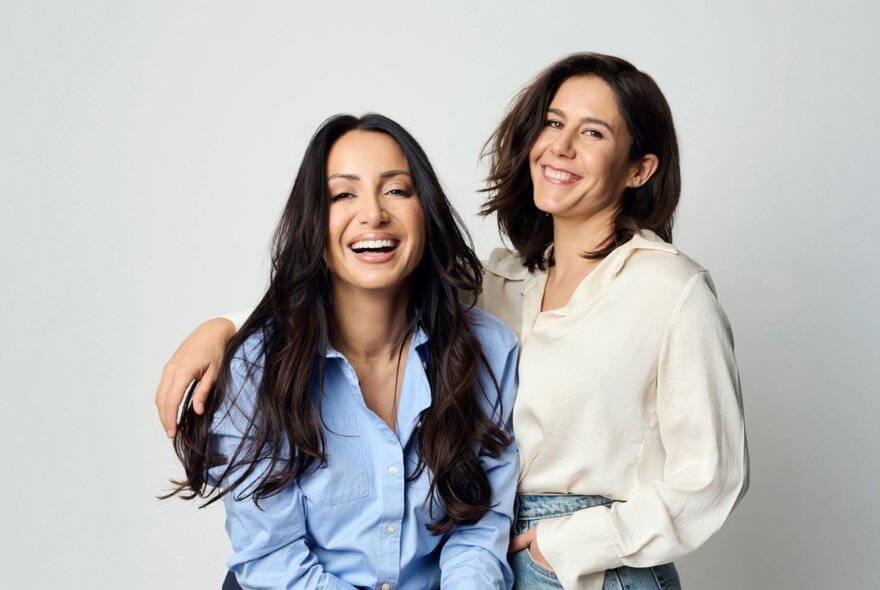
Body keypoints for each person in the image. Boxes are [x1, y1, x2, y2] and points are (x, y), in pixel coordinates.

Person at [157, 53, 748, 590]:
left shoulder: (670, 289)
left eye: (592, 132)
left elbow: (711, 479)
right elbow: (376, 277)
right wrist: (229, 328)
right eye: (552, 122)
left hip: (588, 560)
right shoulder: (503, 284)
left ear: (639, 169)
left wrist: (564, 544)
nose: (560, 146)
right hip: (500, 558)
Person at [163, 113, 520, 590]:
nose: (373, 213)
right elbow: (274, 562)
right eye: (343, 194)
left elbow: (478, 532)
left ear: (426, 211)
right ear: (313, 220)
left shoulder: (489, 350)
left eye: (396, 190)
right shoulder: (257, 367)